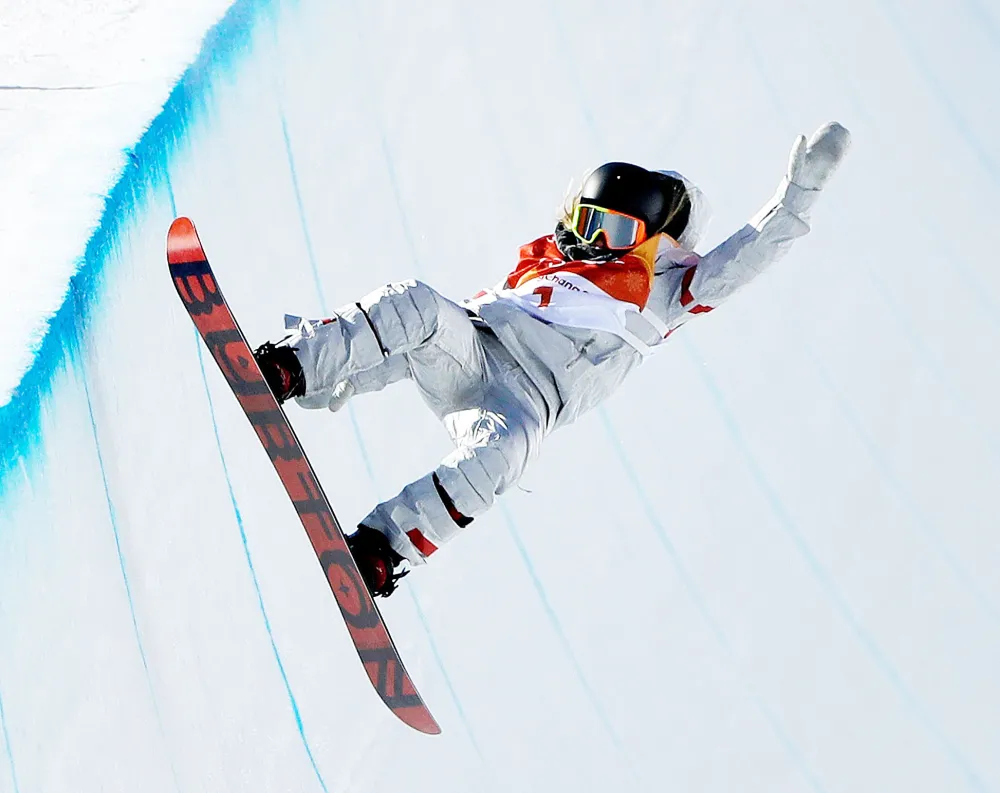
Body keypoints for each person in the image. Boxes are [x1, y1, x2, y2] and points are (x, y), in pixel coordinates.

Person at [254, 122, 851, 597]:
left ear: (651, 238)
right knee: (415, 304)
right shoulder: (549, 258)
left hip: (523, 405)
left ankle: (381, 551)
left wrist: (798, 197)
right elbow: (421, 339)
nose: (596, 239)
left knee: (504, 457)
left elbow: (745, 257)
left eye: (617, 230)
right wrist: (346, 375)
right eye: (590, 220)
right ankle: (295, 364)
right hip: (476, 352)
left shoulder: (667, 289)